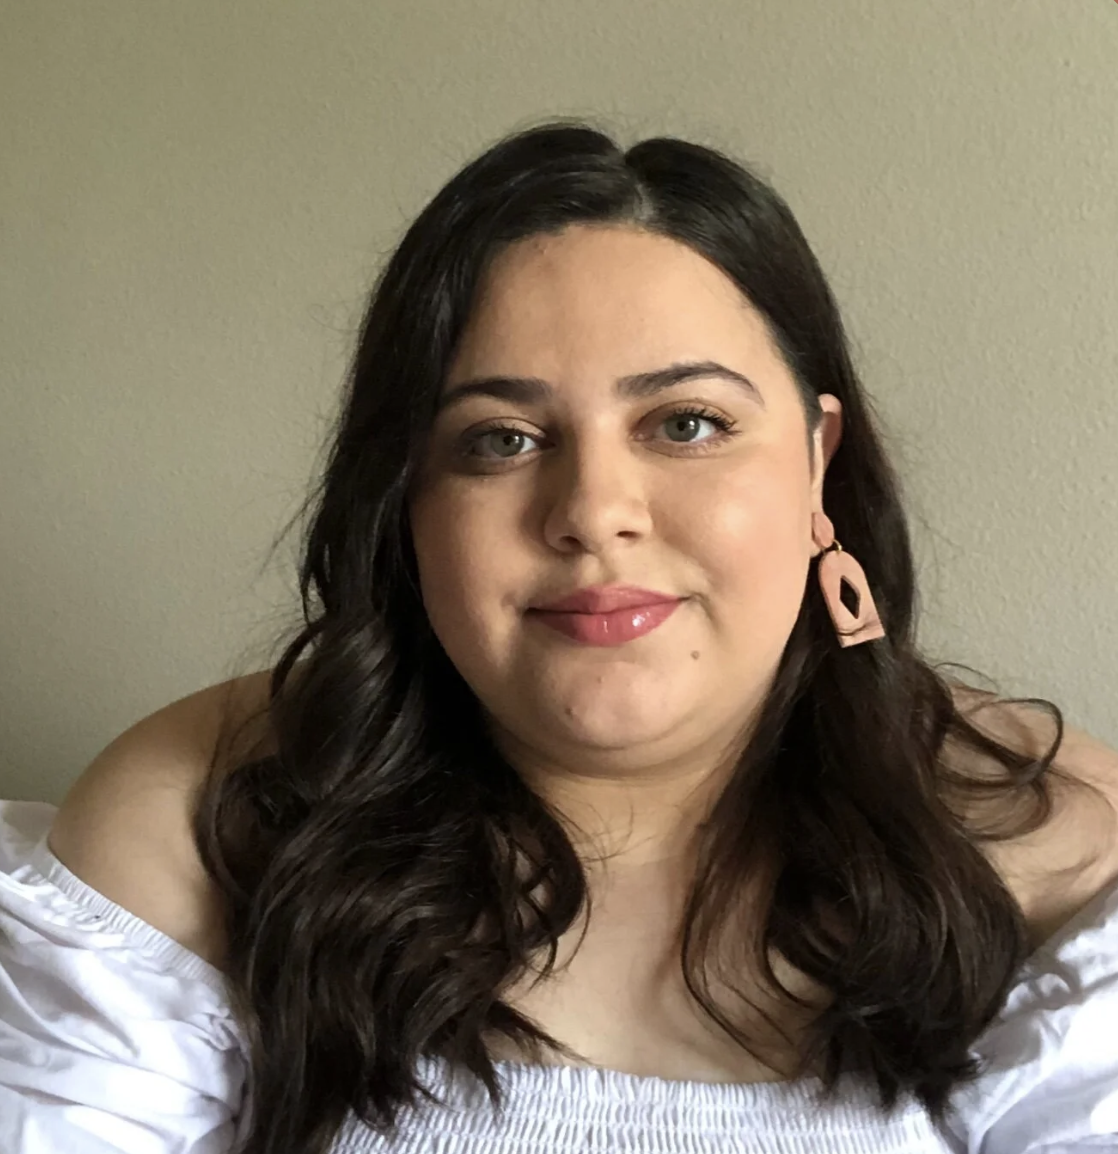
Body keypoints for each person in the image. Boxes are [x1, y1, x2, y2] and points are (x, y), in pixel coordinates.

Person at [2, 118, 1117, 1154]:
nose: (592, 508)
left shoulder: (1055, 851)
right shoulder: (201, 823)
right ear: (407, 499)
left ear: (818, 460)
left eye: (685, 423)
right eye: (499, 438)